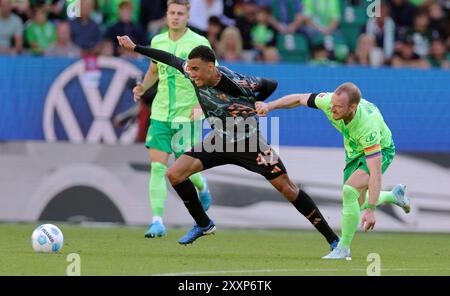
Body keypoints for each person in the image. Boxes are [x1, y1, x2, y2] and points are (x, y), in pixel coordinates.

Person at [117, 35, 341, 251]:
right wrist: (135, 47)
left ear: (211, 67)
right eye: (190, 68)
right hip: (219, 139)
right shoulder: (190, 70)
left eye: (196, 69)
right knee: (175, 174)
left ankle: (333, 240)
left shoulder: (238, 82)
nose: (190, 73)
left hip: (250, 143)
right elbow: (167, 57)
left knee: (288, 189)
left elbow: (271, 84)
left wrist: (254, 103)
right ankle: (204, 224)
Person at [255, 83, 412, 259]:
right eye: (332, 105)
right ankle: (393, 196)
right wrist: (269, 106)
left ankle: (342, 248)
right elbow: (299, 98)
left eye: (338, 107)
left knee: (349, 191)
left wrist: (372, 210)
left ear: (352, 107)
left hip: (380, 150)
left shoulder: (368, 125)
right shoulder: (329, 101)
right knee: (356, 203)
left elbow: (376, 173)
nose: (333, 110)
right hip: (354, 151)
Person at [130, 0, 213, 239]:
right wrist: (142, 87)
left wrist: (201, 105)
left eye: (180, 13)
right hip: (160, 113)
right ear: (166, 16)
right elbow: (155, 71)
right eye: (172, 13)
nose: (175, 17)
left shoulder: (199, 43)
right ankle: (157, 221)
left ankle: (202, 186)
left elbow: (212, 76)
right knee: (157, 167)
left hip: (187, 115)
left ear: (188, 16)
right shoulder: (158, 41)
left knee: (181, 168)